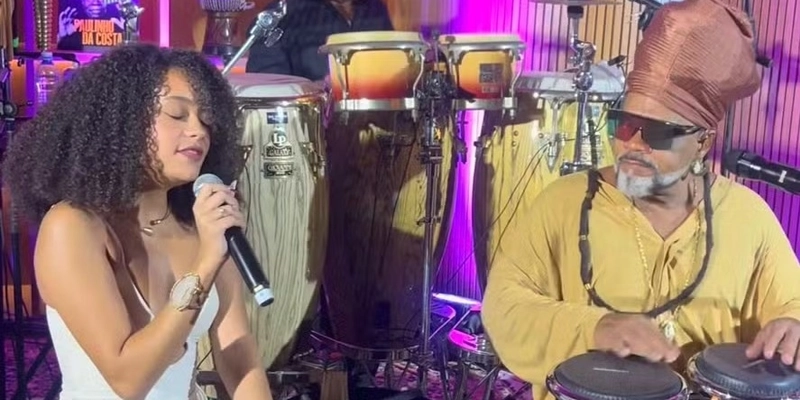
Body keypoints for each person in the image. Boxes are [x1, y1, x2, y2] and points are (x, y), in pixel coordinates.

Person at [480, 0, 800, 399]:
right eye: (625, 124)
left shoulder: (748, 217)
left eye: (658, 132)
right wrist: (595, 327)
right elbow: (503, 307)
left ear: (703, 143)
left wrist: (792, 327)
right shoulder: (564, 203)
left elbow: (792, 304)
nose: (632, 144)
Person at [3, 44, 272, 399]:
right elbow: (128, 380)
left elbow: (238, 355)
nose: (198, 130)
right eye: (177, 114)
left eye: (206, 118)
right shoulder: (72, 226)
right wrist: (206, 262)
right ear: (123, 123)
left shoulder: (201, 228)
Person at [245, 0, 394, 81]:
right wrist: (316, 89)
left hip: (376, 119)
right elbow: (266, 83)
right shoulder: (280, 16)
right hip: (311, 120)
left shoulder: (375, 8)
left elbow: (393, 63)